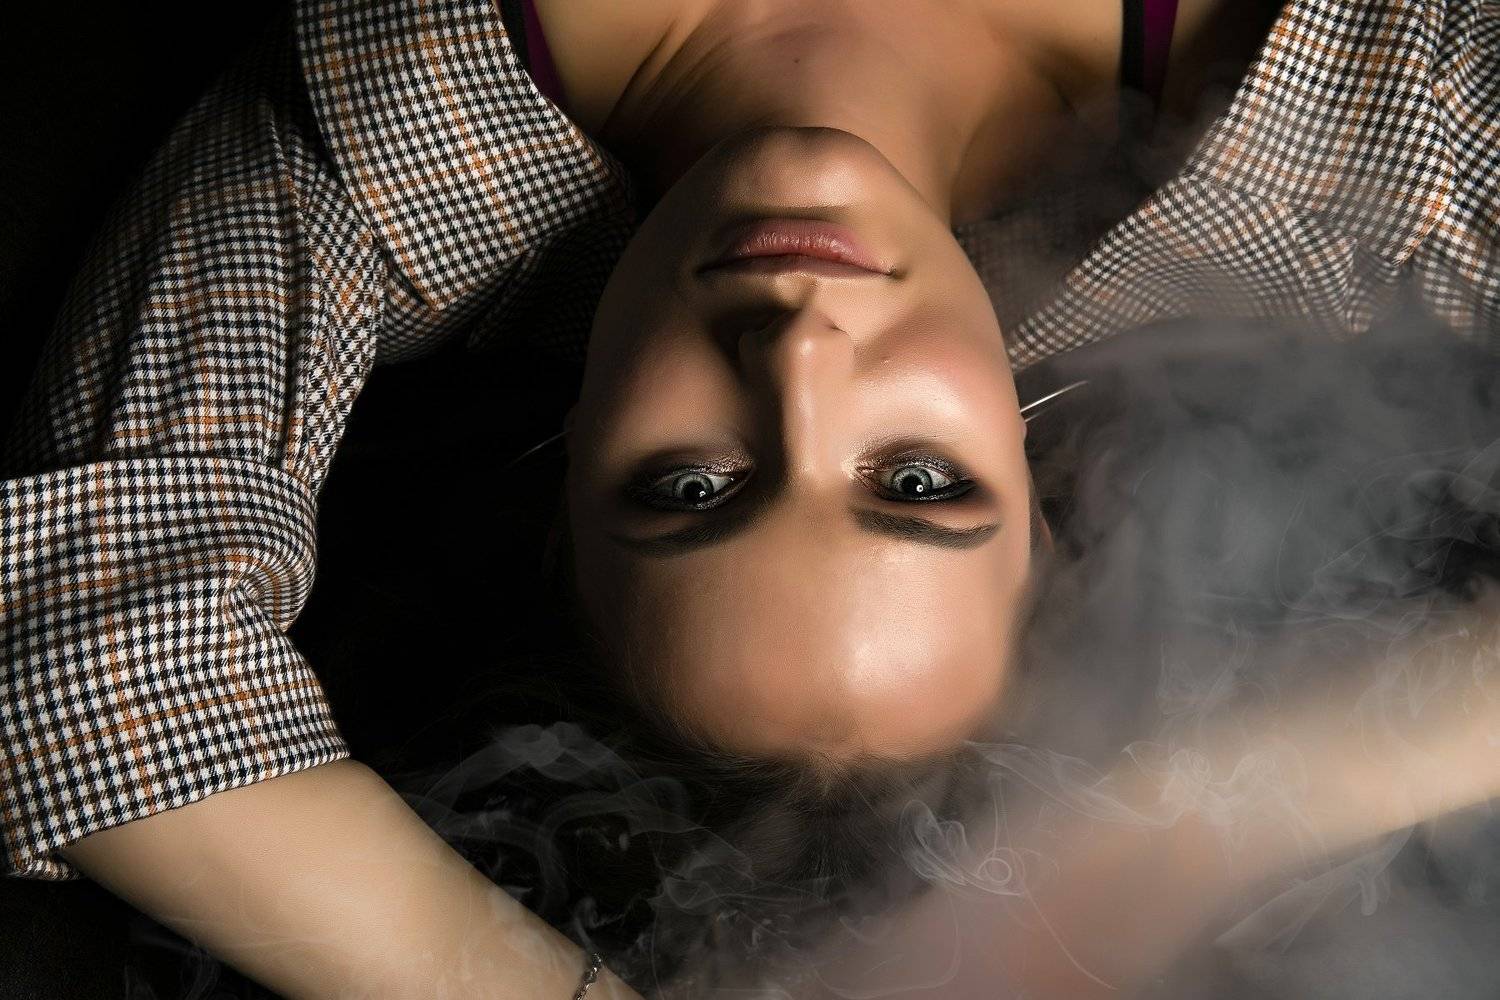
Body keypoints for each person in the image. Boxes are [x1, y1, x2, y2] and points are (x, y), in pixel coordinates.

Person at [1, 0, 1496, 995]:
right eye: (917, 482)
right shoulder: (1377, 152)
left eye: (690, 483)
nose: (796, 358)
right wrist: (1182, 823)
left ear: (565, 473)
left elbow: (86, 656)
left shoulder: (384, 161)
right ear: (1044, 498)